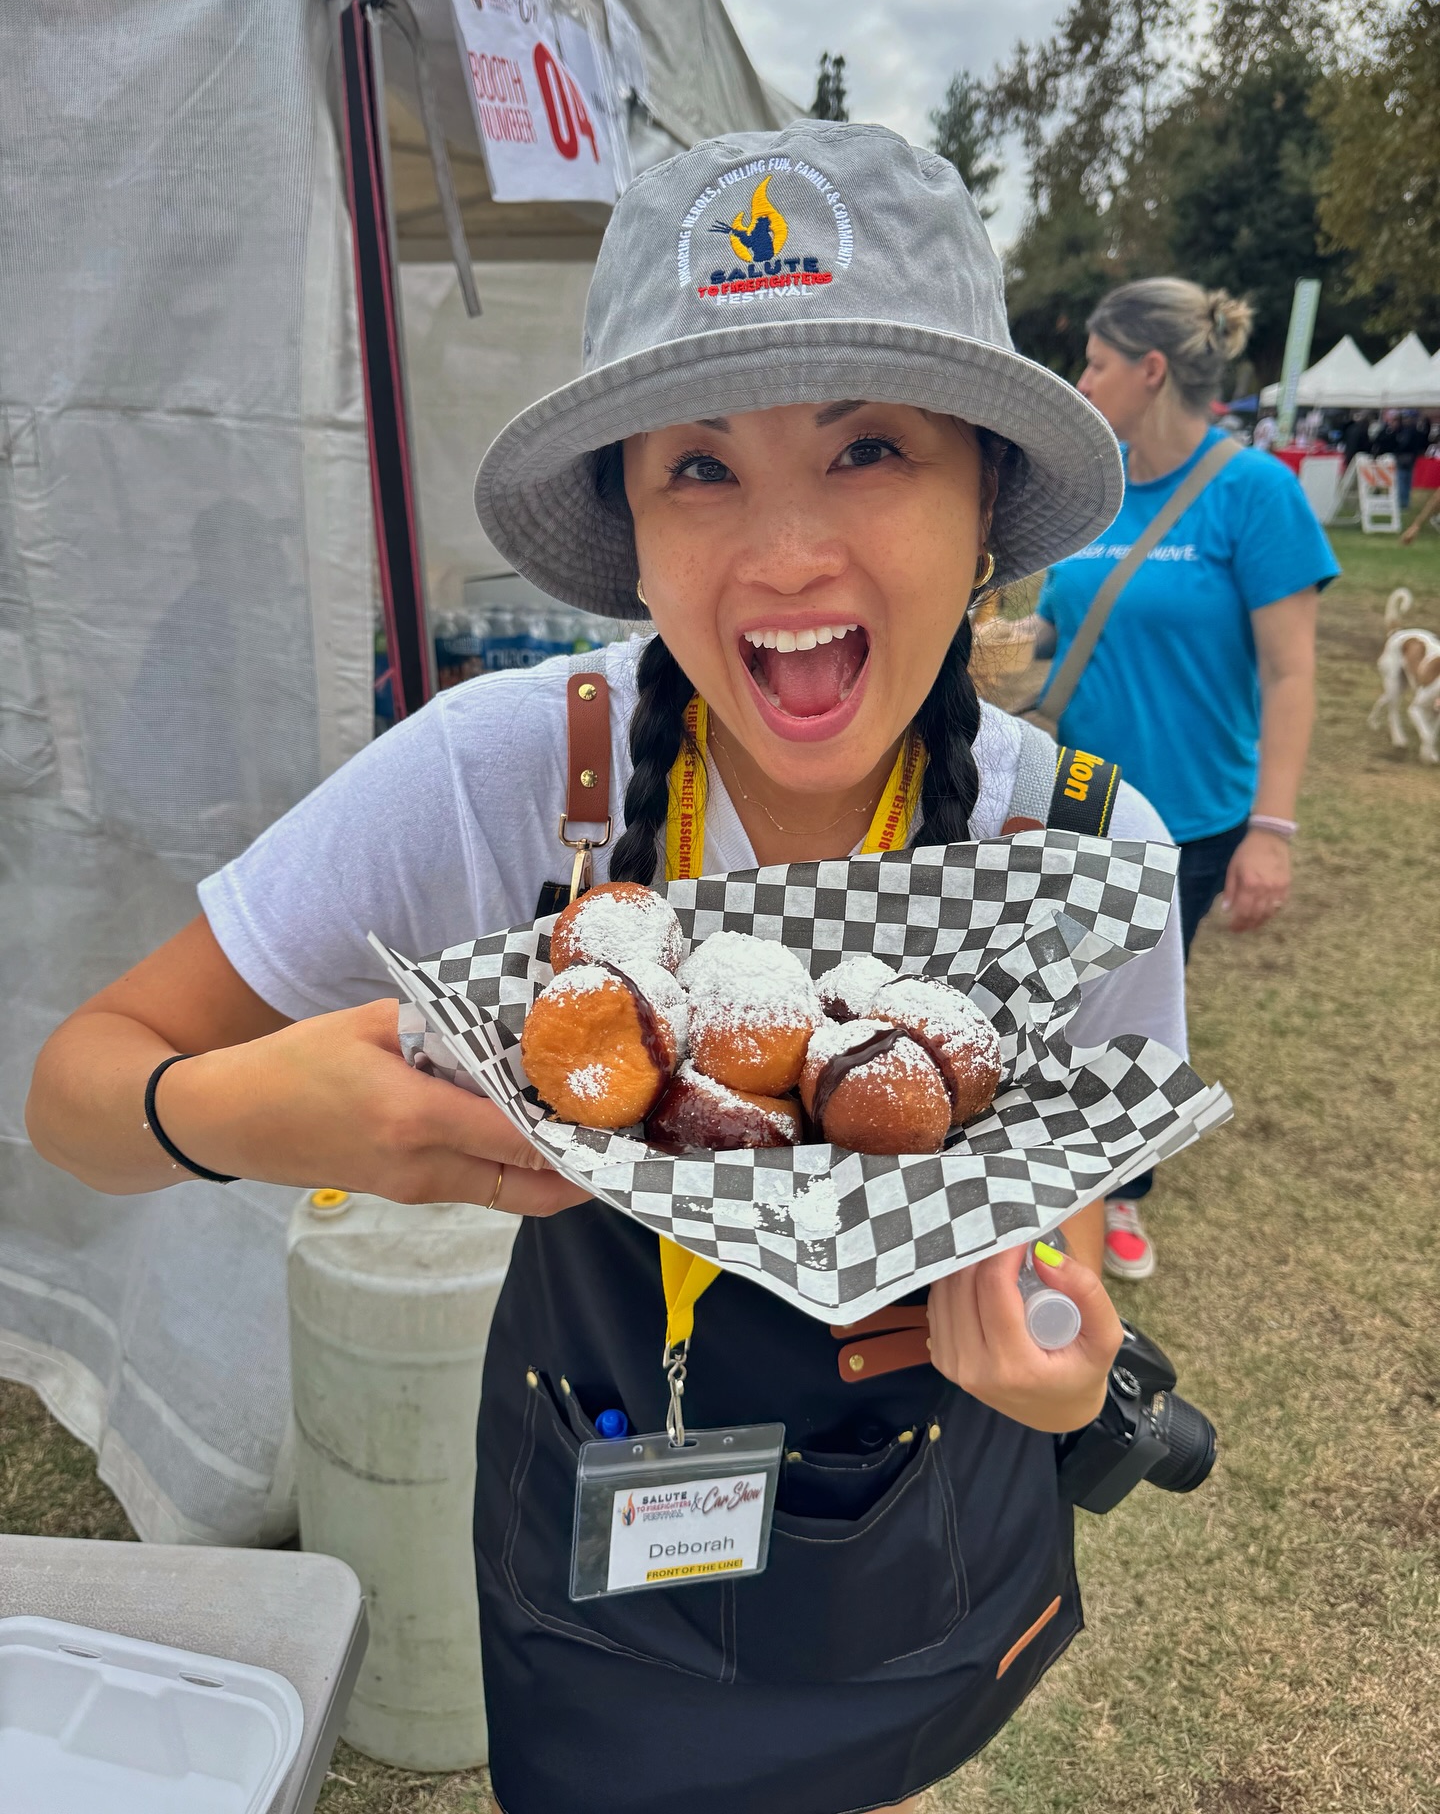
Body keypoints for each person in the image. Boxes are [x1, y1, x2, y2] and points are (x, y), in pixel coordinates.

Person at [27, 124, 1189, 1814]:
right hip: (600, 1563)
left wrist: (1073, 1353)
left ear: (989, 498)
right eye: (699, 467)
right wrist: (242, 1113)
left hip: (921, 1558)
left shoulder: (1089, 849)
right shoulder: (509, 776)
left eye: (868, 446)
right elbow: (78, 1100)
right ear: (628, 529)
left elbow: (1069, 1235)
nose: (784, 554)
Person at [992, 279, 1337, 1284]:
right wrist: (976, 644)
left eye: (1096, 362)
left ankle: (1121, 1200)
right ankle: (1048, 1180)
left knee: (1130, 1015)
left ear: (1150, 371)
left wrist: (1272, 827)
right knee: (1046, 997)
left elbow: (1292, 670)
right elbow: (1055, 630)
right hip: (1066, 803)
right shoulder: (1094, 496)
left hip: (1187, 817)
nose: (1080, 379)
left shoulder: (1254, 493)